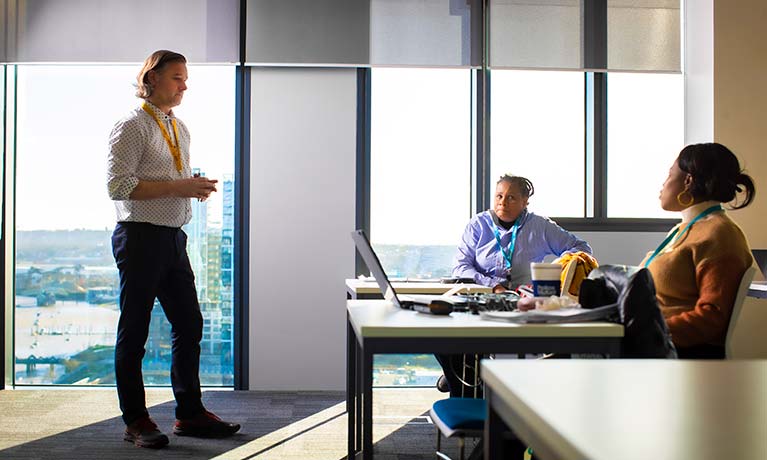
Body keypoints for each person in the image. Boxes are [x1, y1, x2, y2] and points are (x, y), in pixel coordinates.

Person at [107, 50, 240, 448]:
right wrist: (178, 188)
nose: (185, 85)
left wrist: (191, 189)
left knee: (190, 324)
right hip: (140, 237)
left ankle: (189, 413)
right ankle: (136, 421)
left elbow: (166, 179)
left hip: (172, 239)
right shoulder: (131, 126)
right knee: (135, 332)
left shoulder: (179, 127)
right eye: (177, 78)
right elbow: (118, 186)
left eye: (185, 78)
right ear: (151, 79)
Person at [437, 174, 593, 396]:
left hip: (522, 301)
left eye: (511, 198)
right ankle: (461, 378)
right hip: (481, 296)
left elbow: (582, 248)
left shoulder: (540, 226)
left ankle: (468, 379)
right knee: (441, 337)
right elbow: (461, 267)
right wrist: (494, 285)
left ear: (524, 202)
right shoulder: (478, 224)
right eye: (499, 196)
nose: (503, 202)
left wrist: (554, 270)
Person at [642, 142, 755, 359]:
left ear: (688, 180)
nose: (663, 184)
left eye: (669, 175)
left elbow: (711, 317)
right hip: (656, 342)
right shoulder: (683, 229)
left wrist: (646, 332)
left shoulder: (719, 234)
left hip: (677, 351)